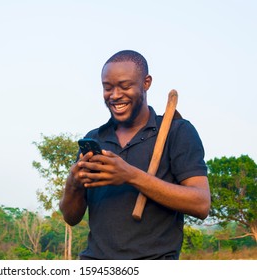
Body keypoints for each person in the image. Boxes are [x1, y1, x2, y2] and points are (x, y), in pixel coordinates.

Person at [59, 50, 211, 260]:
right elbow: (71, 217)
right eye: (107, 87)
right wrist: (73, 183)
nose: (114, 95)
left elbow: (201, 204)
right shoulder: (95, 138)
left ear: (146, 83)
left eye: (125, 86)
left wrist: (130, 175)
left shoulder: (177, 132)